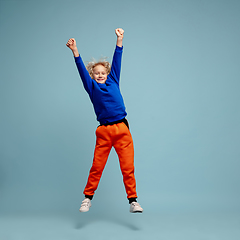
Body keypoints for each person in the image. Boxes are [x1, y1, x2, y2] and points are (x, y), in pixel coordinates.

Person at [66, 28, 143, 213]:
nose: (100, 75)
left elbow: (117, 60)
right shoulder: (92, 88)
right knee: (97, 167)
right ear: (92, 76)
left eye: (103, 72)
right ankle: (87, 198)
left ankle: (133, 201)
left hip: (122, 129)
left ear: (108, 73)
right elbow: (81, 72)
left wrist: (120, 40)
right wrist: (75, 52)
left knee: (127, 167)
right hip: (104, 132)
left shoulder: (113, 80)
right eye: (96, 73)